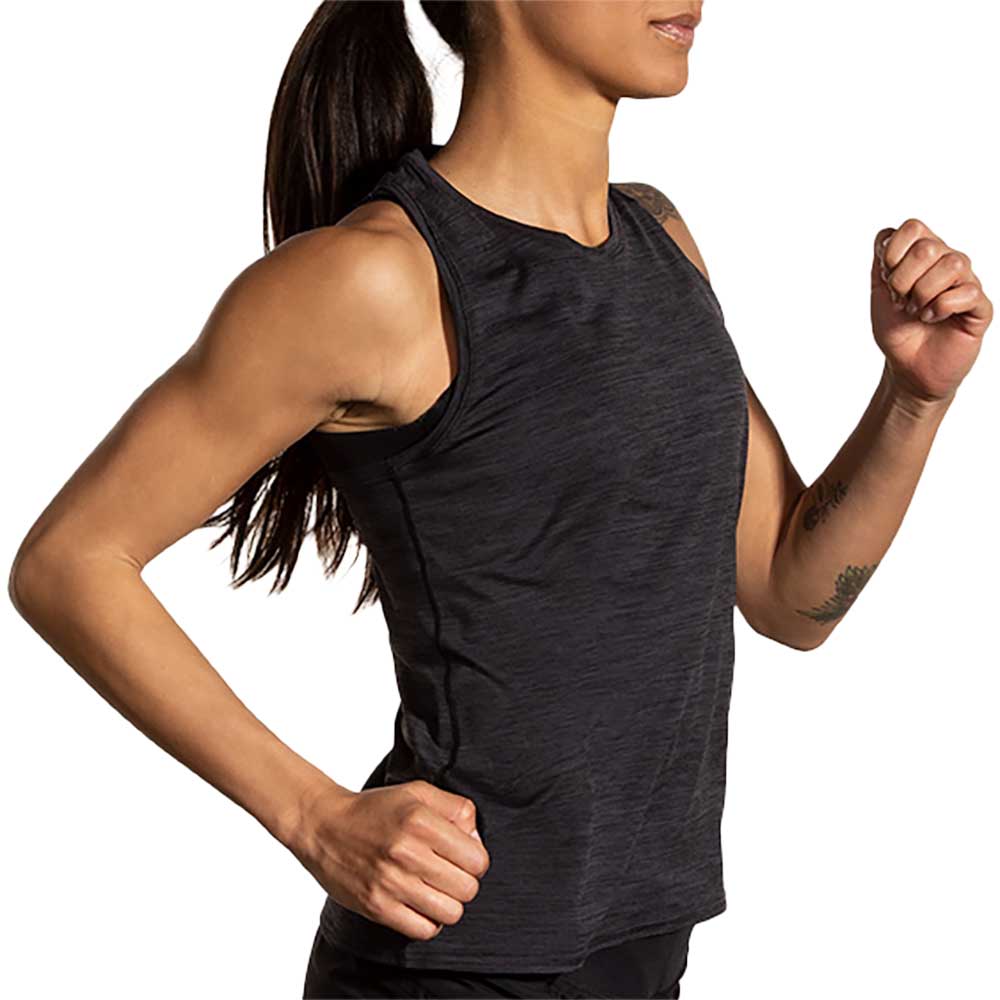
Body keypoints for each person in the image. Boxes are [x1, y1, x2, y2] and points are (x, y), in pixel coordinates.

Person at [8, 1, 992, 998]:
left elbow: (791, 595)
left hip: (642, 946)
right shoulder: (376, 278)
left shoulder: (660, 243)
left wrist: (913, 397)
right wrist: (313, 816)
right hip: (454, 959)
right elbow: (69, 562)